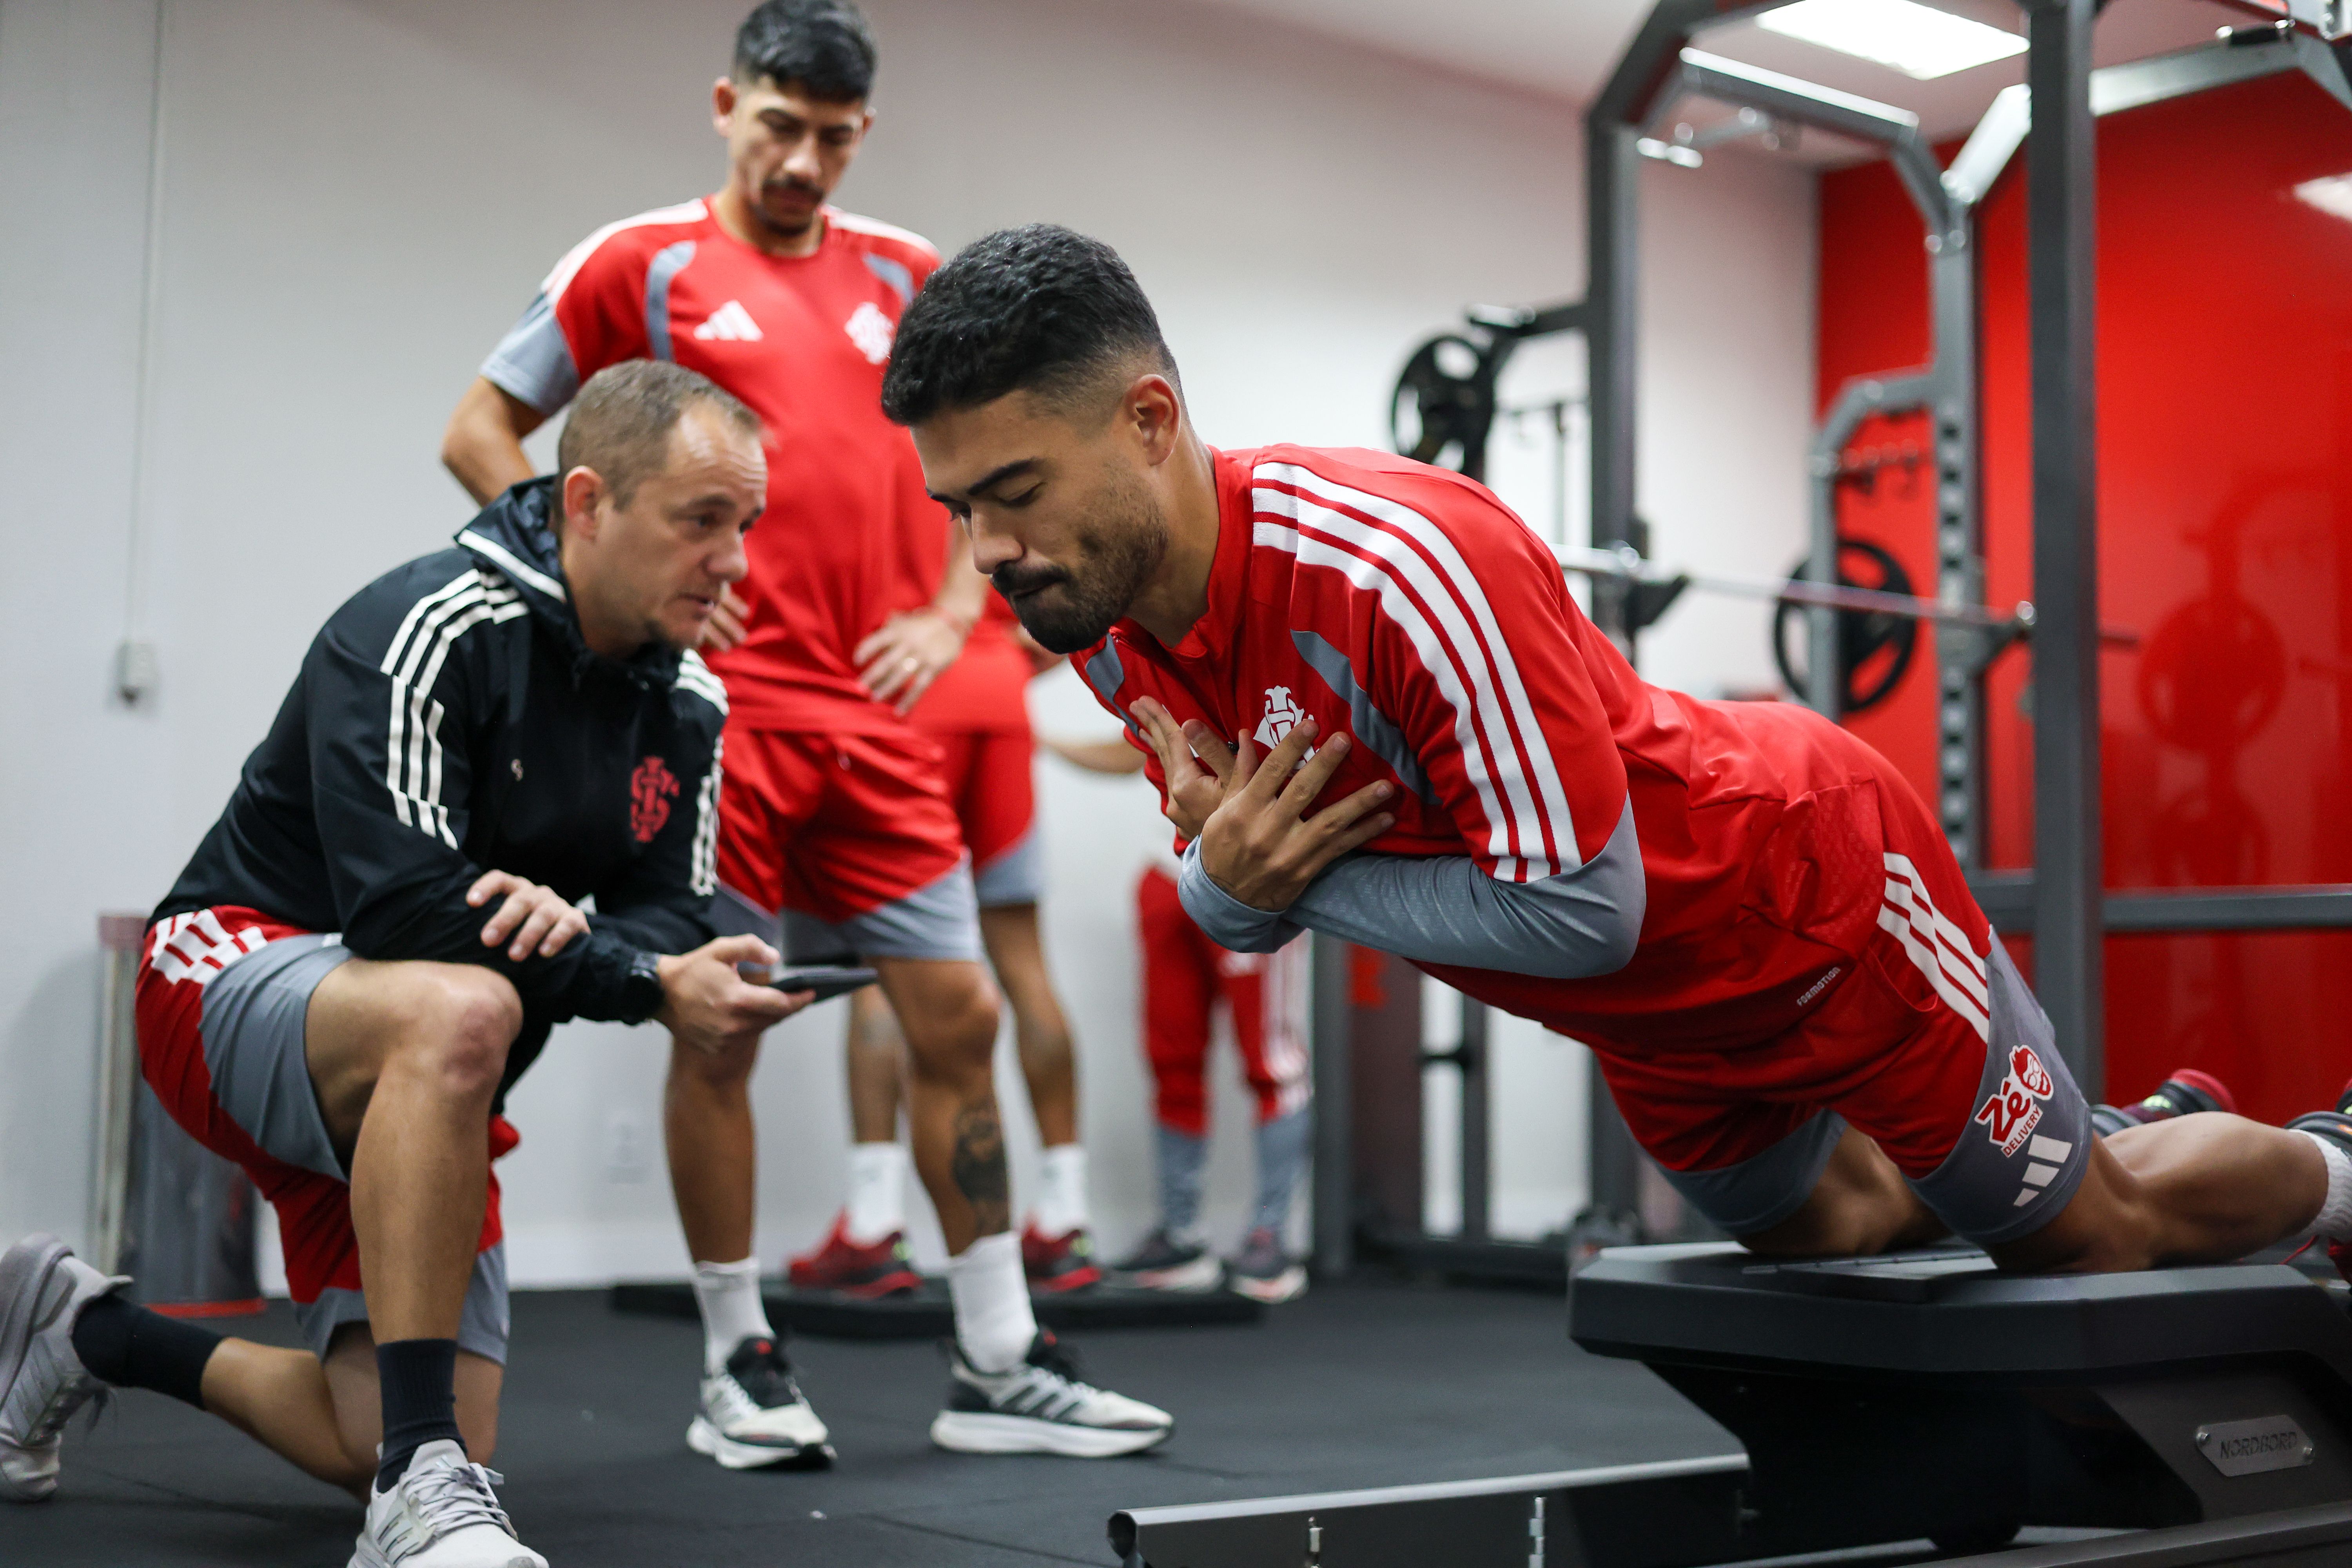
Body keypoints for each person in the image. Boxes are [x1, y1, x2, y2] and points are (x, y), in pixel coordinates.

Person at [876, 223, 2352, 1291]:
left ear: (1148, 422)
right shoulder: (1103, 619)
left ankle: (2330, 1168)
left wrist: (1269, 884)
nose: (986, 551)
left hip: (1806, 900)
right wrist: (1236, 882)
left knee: (2085, 1236)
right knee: (1835, 1233)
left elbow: (1584, 907)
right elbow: (1231, 896)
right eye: (959, 510)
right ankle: (2098, 1135)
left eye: (1014, 491)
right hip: (1652, 1022)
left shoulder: (1399, 567)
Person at [438, 2, 1168, 1459]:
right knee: (723, 1025)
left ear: (862, 134)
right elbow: (477, 432)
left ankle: (1000, 1358)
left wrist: (951, 612)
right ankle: (739, 1364)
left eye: (833, 139)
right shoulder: (639, 263)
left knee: (958, 1015)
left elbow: (984, 458)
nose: (803, 163)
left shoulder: (904, 271)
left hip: (878, 721)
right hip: (721, 724)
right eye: (780, 127)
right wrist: (620, 605)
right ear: (728, 106)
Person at [0, 361, 810, 1566]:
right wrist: (637, 980)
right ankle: (416, 1498)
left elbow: (666, 915)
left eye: (746, 524)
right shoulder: (428, 624)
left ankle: (86, 1331)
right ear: (589, 503)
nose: (735, 563)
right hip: (229, 979)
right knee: (464, 1003)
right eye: (703, 520)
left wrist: (651, 961)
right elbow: (402, 912)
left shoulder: (689, 697)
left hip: (420, 1069)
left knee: (376, 1432)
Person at [793, 592, 1101, 1299]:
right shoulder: (985, 519)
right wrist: (994, 653)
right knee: (1026, 966)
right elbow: (1064, 620)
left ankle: (873, 1223)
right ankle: (1066, 1217)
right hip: (999, 700)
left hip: (908, 698)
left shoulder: (881, 510)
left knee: (881, 967)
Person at [1043, 739, 1311, 1302]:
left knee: (1272, 1063)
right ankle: (1181, 1235)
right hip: (1170, 874)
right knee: (1172, 1060)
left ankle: (1270, 1235)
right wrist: (1041, 739)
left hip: (1257, 878)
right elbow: (1139, 746)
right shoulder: (1161, 680)